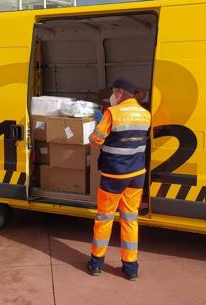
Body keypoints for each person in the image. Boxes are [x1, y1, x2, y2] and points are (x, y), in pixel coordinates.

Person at [87, 78, 151, 281]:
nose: (112, 96)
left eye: (114, 92)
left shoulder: (112, 113)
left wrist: (97, 127)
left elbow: (96, 140)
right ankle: (130, 268)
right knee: (130, 220)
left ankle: (96, 264)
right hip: (136, 176)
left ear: (120, 93)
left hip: (113, 176)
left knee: (105, 219)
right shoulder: (145, 114)